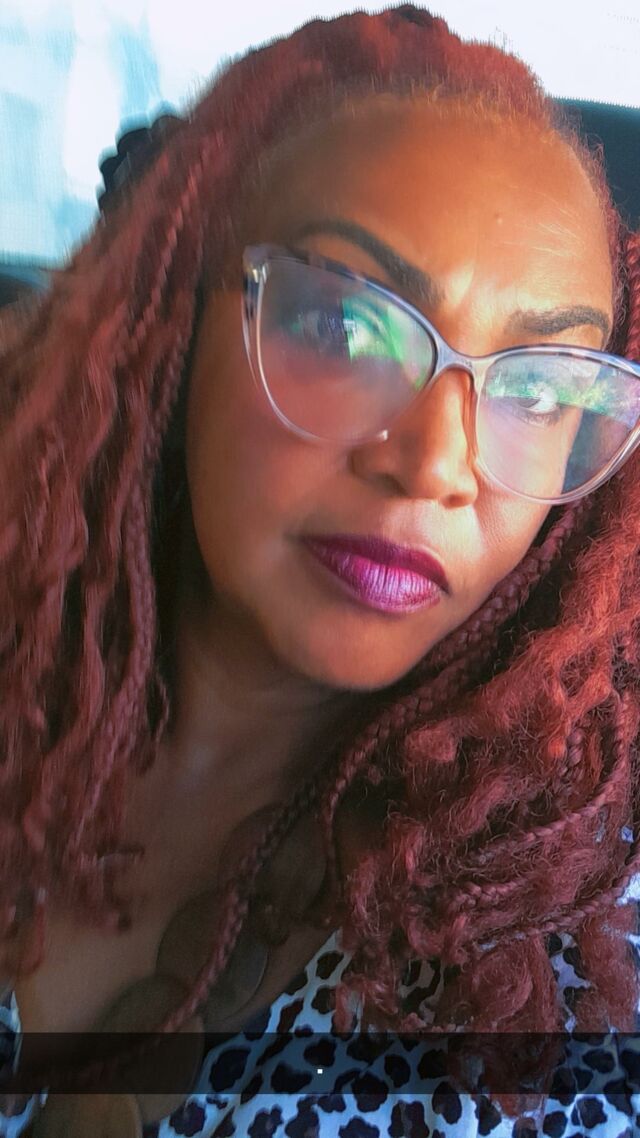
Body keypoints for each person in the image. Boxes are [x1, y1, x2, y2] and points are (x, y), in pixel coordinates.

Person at [1, 4, 640, 1135]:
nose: (435, 466)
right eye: (347, 327)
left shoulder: (561, 944)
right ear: (169, 326)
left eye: (539, 388)